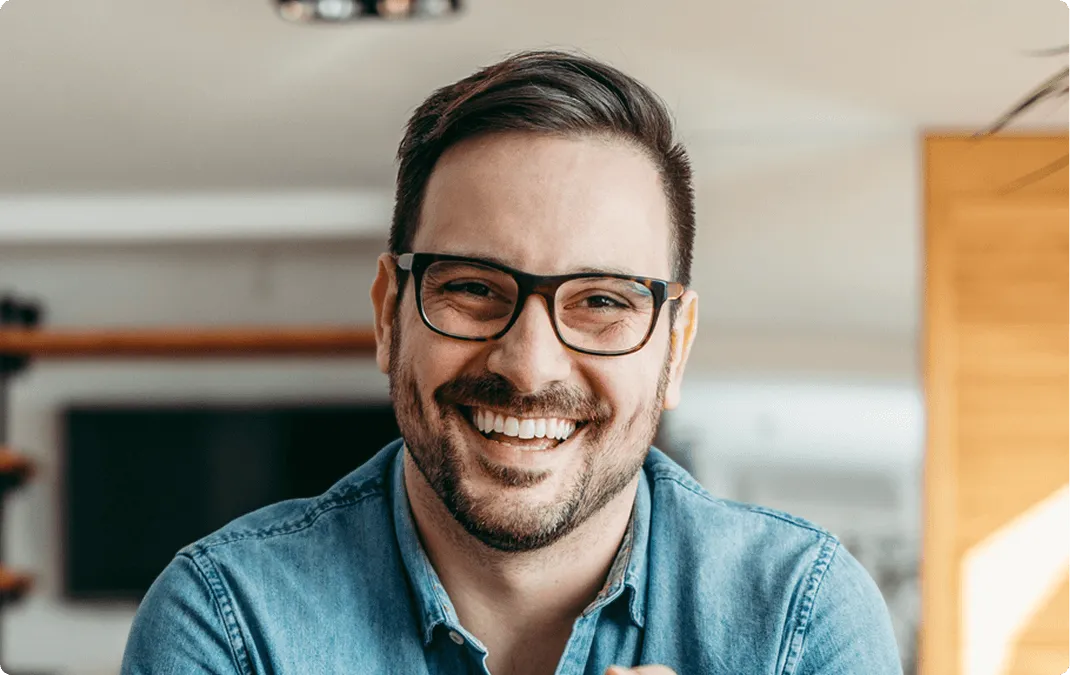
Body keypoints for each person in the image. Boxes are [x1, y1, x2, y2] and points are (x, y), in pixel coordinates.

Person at [121, 49, 903, 675]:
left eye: (602, 300)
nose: (529, 366)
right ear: (390, 313)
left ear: (675, 345)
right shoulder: (228, 617)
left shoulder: (800, 616)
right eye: (471, 287)